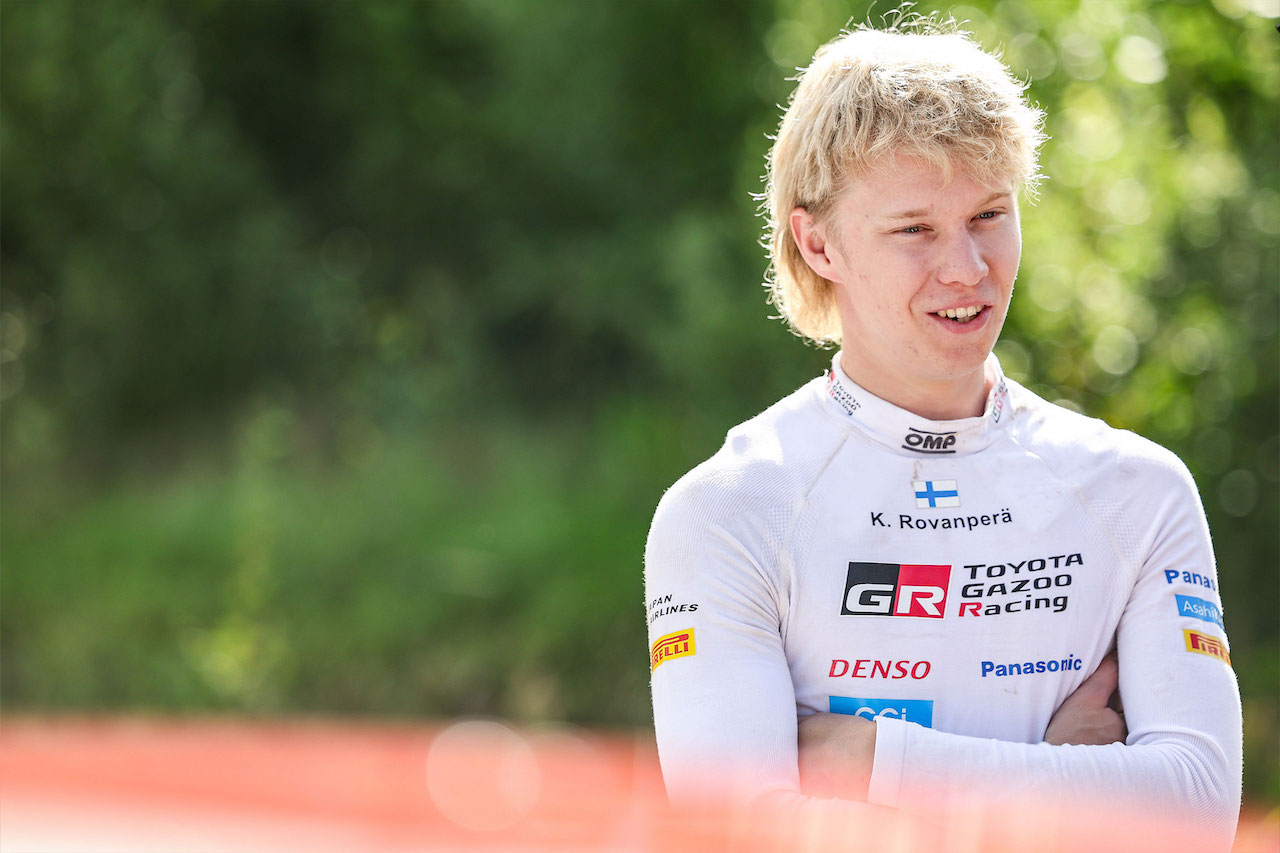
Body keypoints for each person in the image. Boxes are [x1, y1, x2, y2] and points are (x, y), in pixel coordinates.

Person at [644, 15, 1241, 850]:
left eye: (989, 214)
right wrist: (1062, 791)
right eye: (915, 229)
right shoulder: (728, 510)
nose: (967, 268)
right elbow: (738, 837)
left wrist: (872, 760)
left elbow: (1199, 813)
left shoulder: (1139, 491)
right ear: (818, 243)